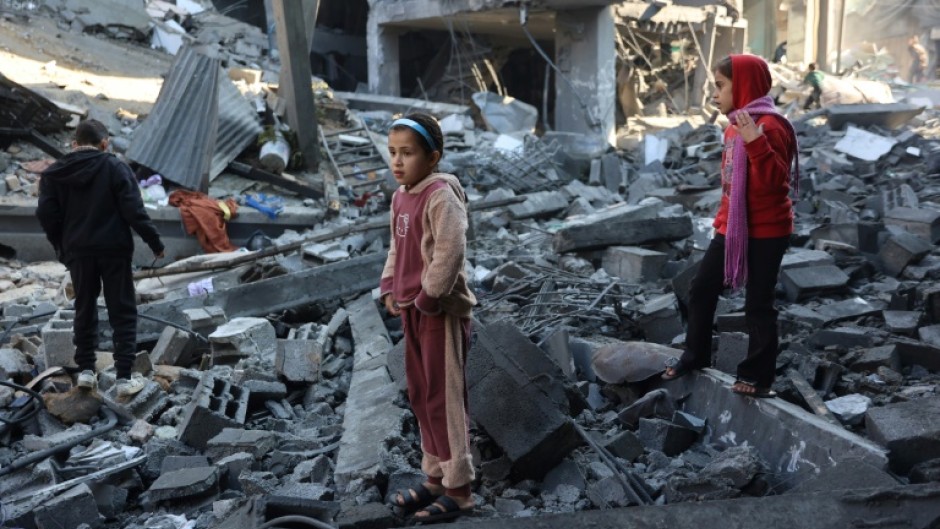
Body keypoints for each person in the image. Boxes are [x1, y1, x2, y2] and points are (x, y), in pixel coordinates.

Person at [662, 55, 798, 399]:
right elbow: (731, 188)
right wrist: (721, 226)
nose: (714, 94)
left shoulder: (772, 126)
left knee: (758, 305)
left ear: (745, 86)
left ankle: (756, 376)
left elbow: (774, 183)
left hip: (768, 232)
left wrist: (756, 141)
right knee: (701, 288)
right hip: (733, 229)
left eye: (720, 85)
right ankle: (695, 355)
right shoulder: (732, 126)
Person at [379, 113, 477, 523]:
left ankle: (459, 490)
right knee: (421, 395)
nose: (398, 162)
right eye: (393, 153)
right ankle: (435, 476)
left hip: (437, 311)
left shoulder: (440, 195)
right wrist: (389, 286)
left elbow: (450, 251)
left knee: (444, 397)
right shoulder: (401, 196)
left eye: (408, 153)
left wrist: (429, 296)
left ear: (432, 157)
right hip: (410, 311)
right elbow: (397, 250)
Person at [37, 119, 164, 398]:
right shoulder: (116, 167)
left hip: (79, 252)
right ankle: (123, 377)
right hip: (114, 250)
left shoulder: (54, 174)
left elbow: (47, 215)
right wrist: (155, 242)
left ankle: (85, 371)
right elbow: (134, 211)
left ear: (73, 144)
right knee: (122, 310)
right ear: (105, 144)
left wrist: (63, 247)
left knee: (84, 307)